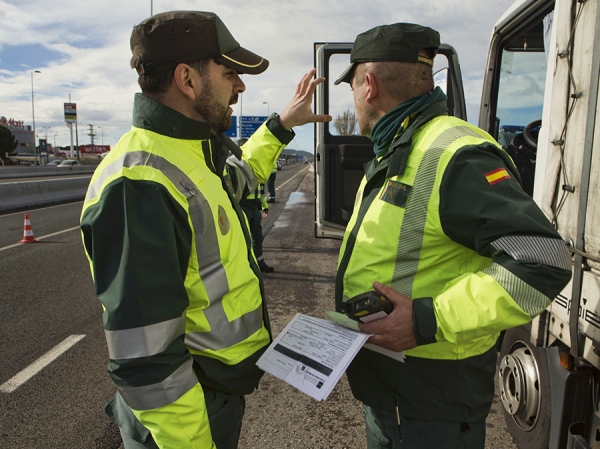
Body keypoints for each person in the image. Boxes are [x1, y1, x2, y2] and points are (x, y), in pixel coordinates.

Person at [80, 11, 330, 449]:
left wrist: (281, 125)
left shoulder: (189, 155)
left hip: (213, 393)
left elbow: (240, 177)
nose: (241, 87)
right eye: (230, 72)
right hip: (188, 412)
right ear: (187, 80)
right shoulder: (138, 185)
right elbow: (147, 361)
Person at [332, 22, 572, 449]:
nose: (351, 95)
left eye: (350, 85)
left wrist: (429, 318)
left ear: (368, 85)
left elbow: (544, 261)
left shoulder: (454, 154)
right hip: (394, 388)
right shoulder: (401, 150)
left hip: (431, 400)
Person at [237, 138, 275, 273]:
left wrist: (264, 206)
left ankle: (259, 263)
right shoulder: (235, 168)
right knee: (241, 239)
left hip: (254, 207)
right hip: (242, 207)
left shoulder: (254, 167)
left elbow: (259, 191)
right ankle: (243, 267)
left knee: (257, 238)